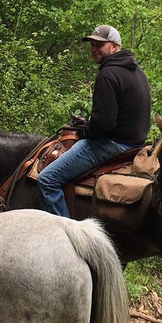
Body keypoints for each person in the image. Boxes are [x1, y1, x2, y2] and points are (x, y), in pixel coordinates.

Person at [37, 24, 151, 219]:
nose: (94, 49)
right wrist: (89, 124)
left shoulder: (108, 75)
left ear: (114, 46)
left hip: (112, 145)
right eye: (92, 45)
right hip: (136, 144)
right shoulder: (137, 71)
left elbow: (103, 124)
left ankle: (67, 235)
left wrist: (85, 130)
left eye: (100, 45)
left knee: (47, 179)